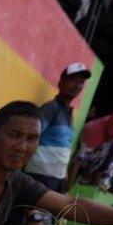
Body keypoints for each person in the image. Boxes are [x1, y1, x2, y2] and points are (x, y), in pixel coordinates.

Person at [25, 62, 92, 192]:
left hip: (57, 179)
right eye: (73, 80)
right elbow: (30, 136)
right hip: (39, 176)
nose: (77, 85)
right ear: (61, 82)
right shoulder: (50, 108)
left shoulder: (69, 114)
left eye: (80, 82)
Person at [69, 108, 113, 192]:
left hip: (99, 158)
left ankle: (96, 185)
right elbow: (78, 160)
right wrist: (69, 183)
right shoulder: (93, 132)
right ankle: (85, 179)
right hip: (86, 162)